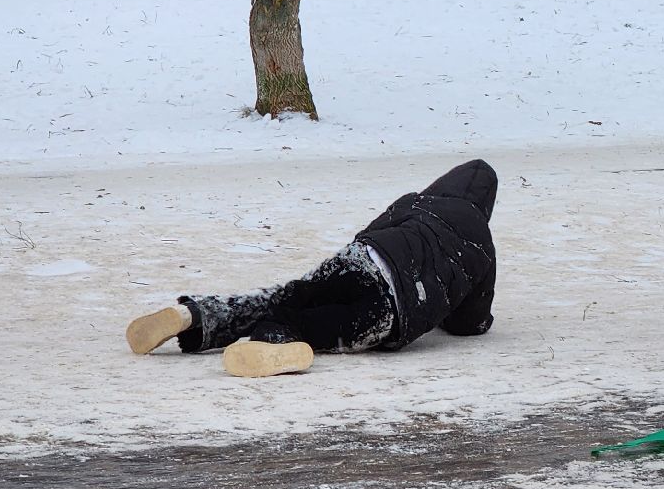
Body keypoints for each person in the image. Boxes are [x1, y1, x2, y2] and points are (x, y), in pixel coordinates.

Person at [125, 159, 498, 377]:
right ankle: (272, 341)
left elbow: (368, 232)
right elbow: (469, 321)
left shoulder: (412, 201)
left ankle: (194, 314)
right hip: (396, 303)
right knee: (323, 324)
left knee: (286, 296)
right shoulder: (481, 239)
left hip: (361, 258)